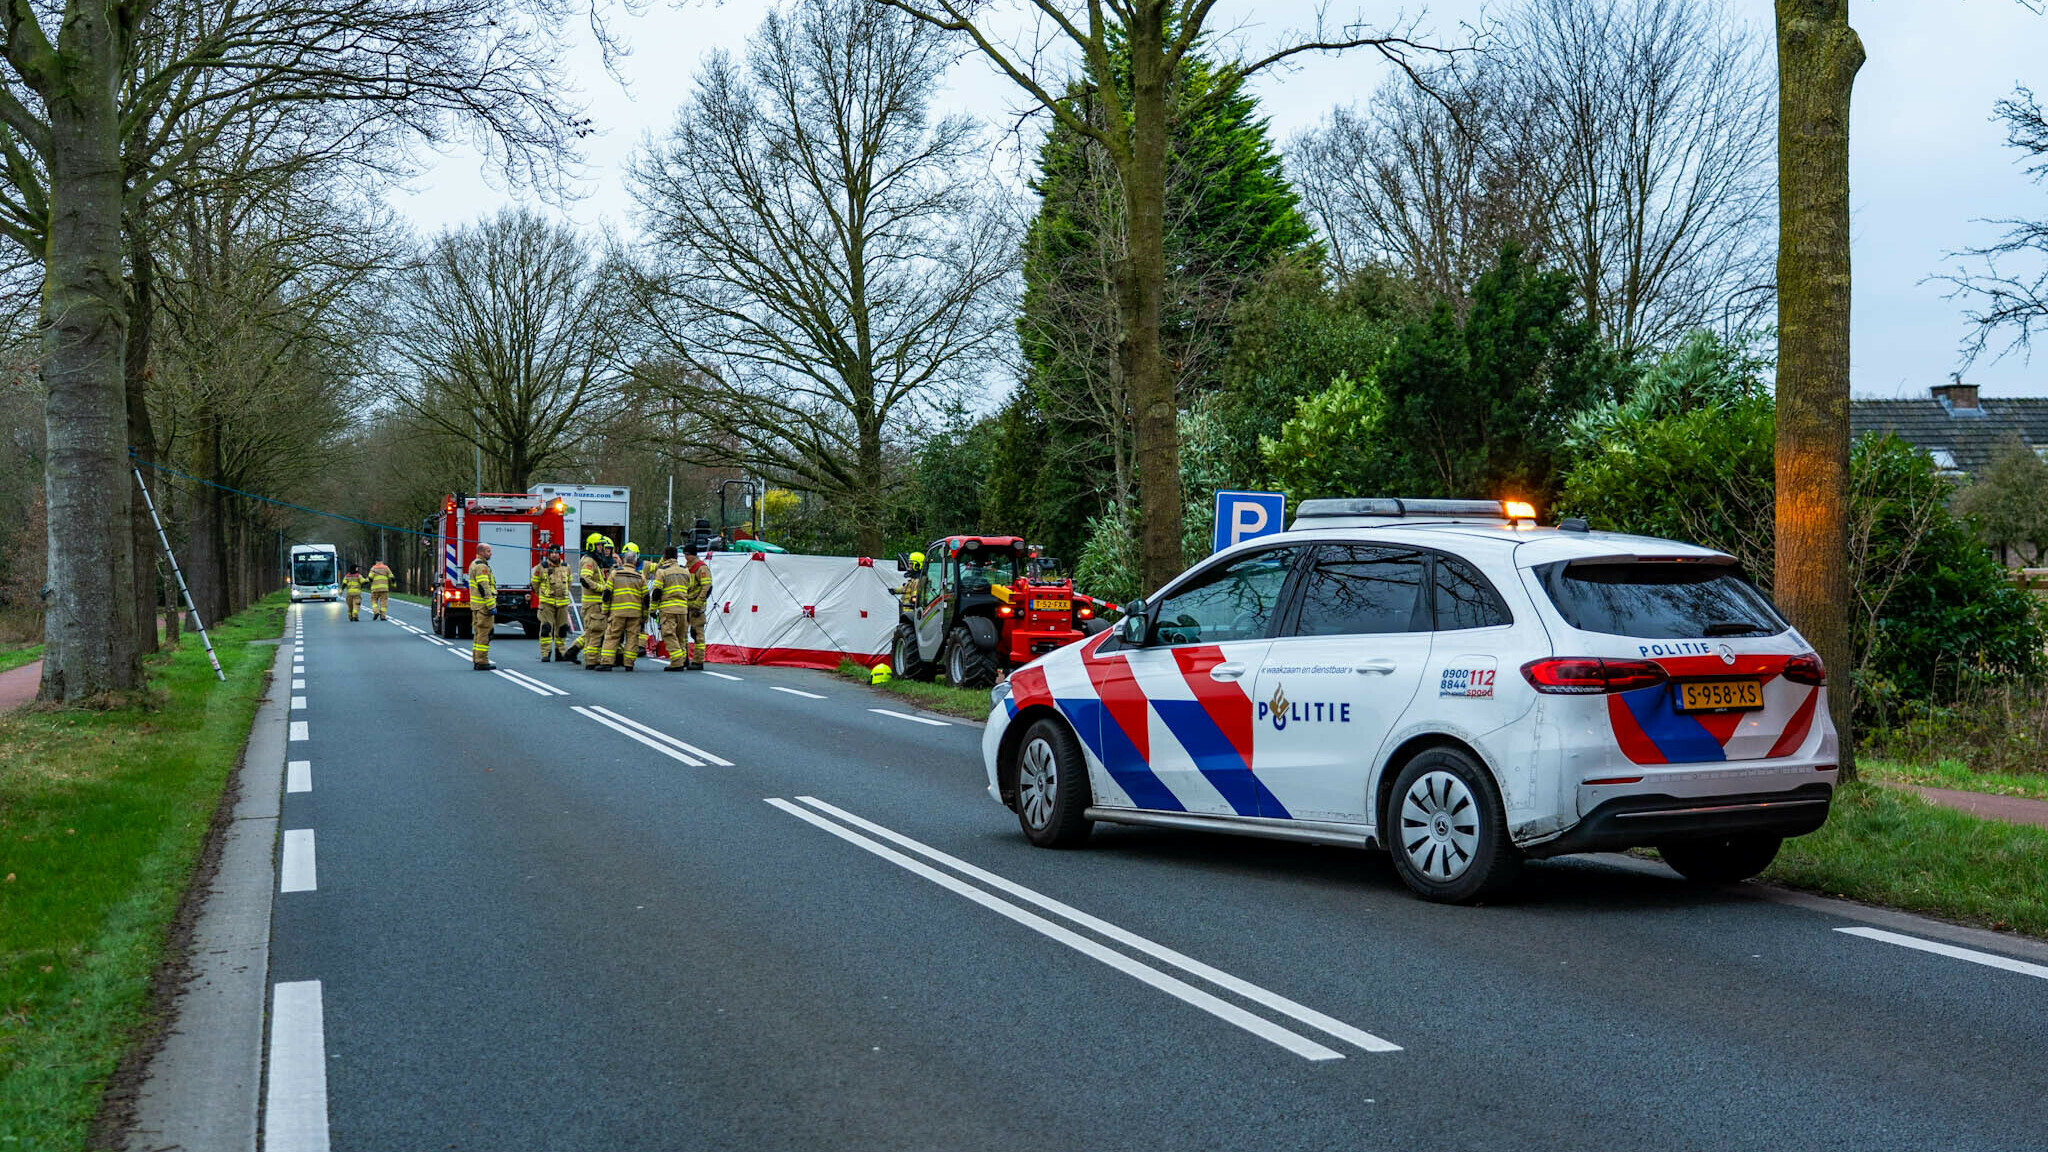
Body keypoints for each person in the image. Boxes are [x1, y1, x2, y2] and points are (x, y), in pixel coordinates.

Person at [596, 543, 646, 671]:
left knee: (612, 636)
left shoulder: (615, 574)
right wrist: (644, 615)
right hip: (635, 614)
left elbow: (607, 594)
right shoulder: (640, 576)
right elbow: (646, 598)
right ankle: (629, 664)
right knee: (632, 638)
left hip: (617, 612)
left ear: (624, 560)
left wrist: (605, 610)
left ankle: (607, 663)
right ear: (635, 561)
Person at [573, 534, 610, 668]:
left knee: (590, 633)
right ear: (592, 546)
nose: (601, 547)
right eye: (599, 545)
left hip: (593, 604)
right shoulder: (589, 561)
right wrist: (602, 588)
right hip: (593, 604)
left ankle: (590, 658)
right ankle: (592, 660)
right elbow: (585, 580)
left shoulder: (594, 560)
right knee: (596, 632)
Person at [533, 545, 573, 662]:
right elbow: (535, 583)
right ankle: (546, 653)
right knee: (546, 628)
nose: (554, 555)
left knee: (562, 628)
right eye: (552, 553)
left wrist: (564, 593)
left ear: (559, 554)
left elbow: (569, 582)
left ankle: (560, 652)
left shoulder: (566, 567)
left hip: (563, 602)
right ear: (548, 554)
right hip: (547, 603)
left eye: (556, 552)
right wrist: (542, 595)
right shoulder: (541, 567)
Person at [654, 547, 691, 671]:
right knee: (681, 636)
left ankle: (677, 661)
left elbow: (657, 592)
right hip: (683, 609)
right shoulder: (685, 570)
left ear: (664, 556)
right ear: (676, 556)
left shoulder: (662, 571)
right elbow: (689, 588)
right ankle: (683, 659)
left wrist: (652, 610)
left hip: (668, 609)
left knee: (669, 634)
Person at [680, 543, 713, 670]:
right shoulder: (687, 567)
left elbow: (706, 587)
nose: (685, 557)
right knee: (682, 633)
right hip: (686, 605)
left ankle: (698, 661)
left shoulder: (701, 568)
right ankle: (684, 659)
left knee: (697, 634)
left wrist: (698, 603)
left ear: (691, 554)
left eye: (687, 555)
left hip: (696, 607)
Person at [468, 543, 498, 670]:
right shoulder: (481, 567)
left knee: (478, 633)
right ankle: (482, 661)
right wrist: (491, 605)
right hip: (484, 607)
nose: (490, 553)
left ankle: (477, 659)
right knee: (485, 634)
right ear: (481, 552)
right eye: (488, 551)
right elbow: (484, 587)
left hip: (476, 606)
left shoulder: (474, 564)